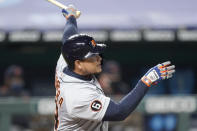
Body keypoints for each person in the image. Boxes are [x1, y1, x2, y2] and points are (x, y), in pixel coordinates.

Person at [54, 5, 176, 131]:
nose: (99, 58)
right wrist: (146, 81)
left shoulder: (67, 60)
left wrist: (71, 18)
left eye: (97, 54)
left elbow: (68, 36)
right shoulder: (78, 95)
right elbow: (120, 112)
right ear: (78, 63)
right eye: (92, 56)